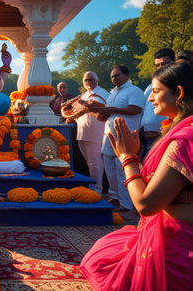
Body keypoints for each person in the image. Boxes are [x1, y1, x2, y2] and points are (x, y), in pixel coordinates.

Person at [81, 62, 193, 290]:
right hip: (176, 226)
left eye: (156, 91)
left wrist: (128, 158)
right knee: (111, 246)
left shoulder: (184, 140)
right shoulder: (181, 131)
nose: (150, 99)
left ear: (179, 93)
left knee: (101, 263)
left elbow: (145, 204)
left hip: (181, 243)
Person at [93, 65, 145, 215]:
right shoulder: (112, 93)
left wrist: (113, 110)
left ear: (127, 76)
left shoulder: (134, 90)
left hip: (126, 136)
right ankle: (114, 198)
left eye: (117, 75)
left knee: (121, 169)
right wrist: (98, 110)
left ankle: (127, 203)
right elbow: (108, 112)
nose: (114, 78)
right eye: (112, 76)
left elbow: (136, 109)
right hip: (109, 135)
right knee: (109, 168)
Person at [75, 71, 110, 194]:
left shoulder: (103, 94)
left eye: (91, 79)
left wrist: (89, 107)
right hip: (82, 133)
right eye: (86, 80)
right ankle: (94, 188)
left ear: (97, 80)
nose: (88, 82)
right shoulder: (83, 95)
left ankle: (97, 191)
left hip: (96, 134)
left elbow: (104, 111)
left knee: (96, 164)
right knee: (90, 164)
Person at [140, 48, 175, 159]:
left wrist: (165, 133)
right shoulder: (149, 87)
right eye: (157, 65)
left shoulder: (178, 85)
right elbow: (144, 111)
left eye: (164, 64)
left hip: (166, 138)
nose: (160, 68)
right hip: (146, 139)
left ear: (174, 64)